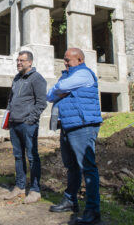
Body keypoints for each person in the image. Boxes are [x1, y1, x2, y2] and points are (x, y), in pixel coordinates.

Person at [47, 48, 102, 225]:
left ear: (79, 59)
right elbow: (50, 96)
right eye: (64, 59)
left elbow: (60, 88)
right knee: (72, 166)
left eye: (68, 60)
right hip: (68, 125)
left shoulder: (84, 73)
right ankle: (71, 200)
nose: (65, 63)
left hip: (83, 126)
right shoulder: (68, 76)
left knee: (87, 167)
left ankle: (93, 211)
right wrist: (58, 90)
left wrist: (59, 89)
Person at [3, 50, 47, 204]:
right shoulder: (16, 78)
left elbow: (42, 102)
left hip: (28, 125)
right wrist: (8, 119)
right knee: (18, 156)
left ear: (30, 62)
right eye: (17, 60)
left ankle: (35, 190)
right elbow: (11, 100)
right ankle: (20, 187)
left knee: (32, 157)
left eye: (22, 60)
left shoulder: (37, 79)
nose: (18, 63)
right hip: (14, 123)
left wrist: (30, 120)